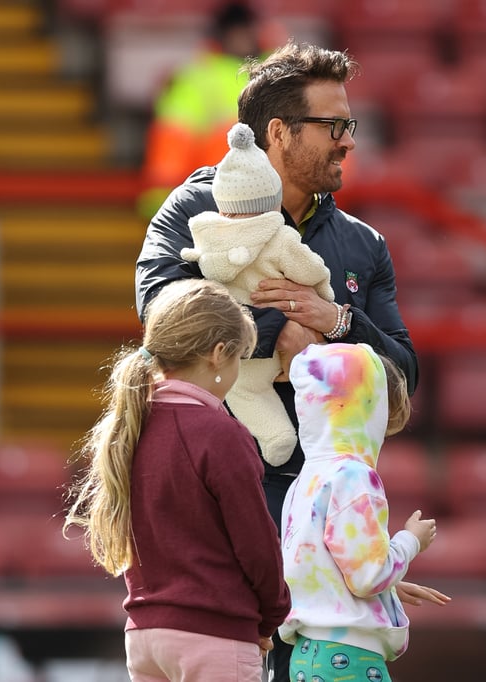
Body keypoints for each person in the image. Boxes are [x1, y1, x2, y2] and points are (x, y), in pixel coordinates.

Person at [134, 39, 434, 680]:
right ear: (278, 132)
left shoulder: (363, 244)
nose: (349, 142)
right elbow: (164, 324)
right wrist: (277, 331)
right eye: (335, 126)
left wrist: (337, 322)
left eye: (348, 126)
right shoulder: (192, 213)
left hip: (316, 514)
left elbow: (405, 375)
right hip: (211, 503)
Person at [63, 278, 290, 682]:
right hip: (214, 635)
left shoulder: (128, 427)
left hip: (145, 637)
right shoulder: (221, 433)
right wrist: (272, 615)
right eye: (240, 357)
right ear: (219, 355)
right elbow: (257, 544)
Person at [182, 121, 337, 467]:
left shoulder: (208, 239)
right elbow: (308, 269)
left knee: (245, 392)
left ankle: (275, 435)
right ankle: (286, 438)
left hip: (235, 356)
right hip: (282, 349)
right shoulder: (280, 237)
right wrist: (324, 294)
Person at [280, 343, 438, 682]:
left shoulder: (304, 480)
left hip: (307, 656)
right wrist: (411, 541)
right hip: (350, 659)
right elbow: (369, 576)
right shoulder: (354, 477)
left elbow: (315, 569)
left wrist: (391, 590)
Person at [137, 2, 265, 220]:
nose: (242, 38)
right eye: (236, 31)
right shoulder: (197, 76)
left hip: (268, 202)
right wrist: (166, 206)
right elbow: (172, 139)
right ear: (222, 34)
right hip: (213, 206)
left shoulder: (279, 73)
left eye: (245, 31)